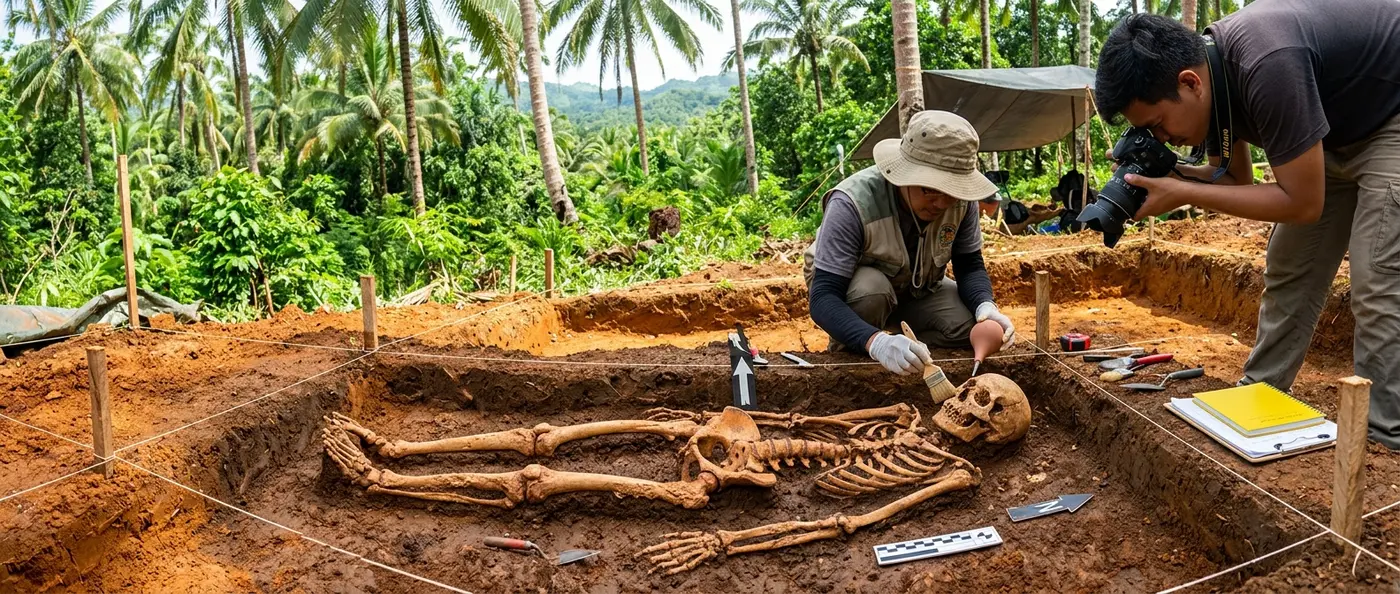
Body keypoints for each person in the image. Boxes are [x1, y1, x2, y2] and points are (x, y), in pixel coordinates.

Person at [1093, 3, 1400, 447]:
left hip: (1391, 116)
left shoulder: (1266, 64)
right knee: (1291, 264)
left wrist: (1182, 191)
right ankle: (1260, 392)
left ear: (1190, 83)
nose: (1162, 138)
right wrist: (1163, 173)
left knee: (1378, 279)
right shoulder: (1212, 79)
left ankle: (1383, 441)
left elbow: (1303, 203)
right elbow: (1235, 178)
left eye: (1158, 125)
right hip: (1336, 129)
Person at [802, 110, 1015, 376]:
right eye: (931, 190)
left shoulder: (962, 202)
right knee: (872, 292)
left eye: (952, 191)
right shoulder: (852, 203)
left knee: (969, 326)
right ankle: (855, 353)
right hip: (858, 292)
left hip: (919, 288)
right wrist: (876, 342)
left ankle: (909, 349)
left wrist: (985, 305)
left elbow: (969, 264)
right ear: (903, 174)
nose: (942, 203)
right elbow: (823, 297)